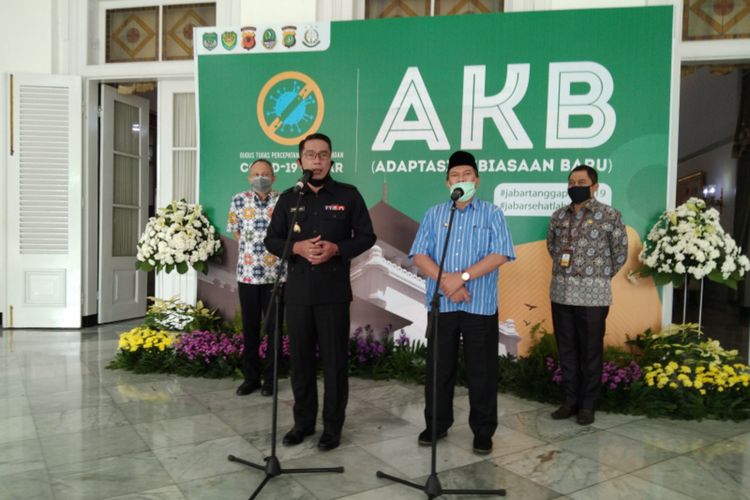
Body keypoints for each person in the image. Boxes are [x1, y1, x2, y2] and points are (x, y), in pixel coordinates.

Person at [265, 133, 376, 451]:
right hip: (298, 293)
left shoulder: (349, 195)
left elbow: (367, 236)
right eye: (311, 155)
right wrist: (297, 247)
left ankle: (332, 427)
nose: (317, 159)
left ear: (331, 160)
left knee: (335, 363)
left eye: (323, 154)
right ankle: (302, 424)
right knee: (300, 362)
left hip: (333, 294)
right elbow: (272, 240)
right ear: (299, 161)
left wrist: (337, 249)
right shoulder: (288, 198)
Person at [409, 150, 515, 455]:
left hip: (479, 306)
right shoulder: (434, 214)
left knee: (481, 372)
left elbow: (501, 253)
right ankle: (437, 424)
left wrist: (463, 277)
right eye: (455, 176)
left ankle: (483, 431)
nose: (461, 180)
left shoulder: (492, 213)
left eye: (467, 175)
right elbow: (419, 255)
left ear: (477, 181)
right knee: (438, 369)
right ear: (447, 183)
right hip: (443, 304)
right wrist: (448, 282)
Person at [546, 164, 628, 425]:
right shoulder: (559, 216)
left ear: (594, 187)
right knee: (567, 349)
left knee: (591, 351)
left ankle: (588, 405)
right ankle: (570, 401)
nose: (574, 187)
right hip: (561, 293)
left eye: (581, 182)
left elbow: (620, 254)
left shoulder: (610, 216)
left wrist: (597, 276)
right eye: (571, 182)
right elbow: (552, 248)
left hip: (593, 296)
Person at [227, 159, 285, 397]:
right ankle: (250, 378)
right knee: (250, 329)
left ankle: (270, 380)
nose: (260, 177)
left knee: (274, 330)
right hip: (248, 275)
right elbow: (237, 232)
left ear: (274, 177)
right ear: (249, 177)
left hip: (276, 276)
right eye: (256, 174)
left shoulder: (284, 200)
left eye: (265, 174)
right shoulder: (239, 200)